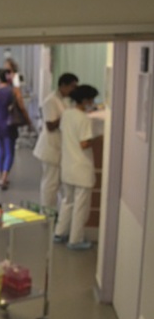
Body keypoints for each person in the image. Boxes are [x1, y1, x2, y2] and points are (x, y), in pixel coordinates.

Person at [53, 84, 100, 250]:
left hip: (68, 166)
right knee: (81, 206)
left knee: (67, 201)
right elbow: (84, 143)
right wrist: (97, 137)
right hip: (81, 168)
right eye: (92, 100)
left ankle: (60, 233)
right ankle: (75, 240)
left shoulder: (67, 114)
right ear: (85, 100)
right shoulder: (84, 119)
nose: (93, 103)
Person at [32, 73, 79, 209]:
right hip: (51, 148)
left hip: (59, 149)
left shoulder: (64, 100)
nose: (74, 89)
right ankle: (47, 213)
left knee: (56, 183)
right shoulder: (50, 101)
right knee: (50, 184)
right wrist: (68, 116)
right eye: (72, 86)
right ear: (63, 85)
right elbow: (50, 125)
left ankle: (52, 211)